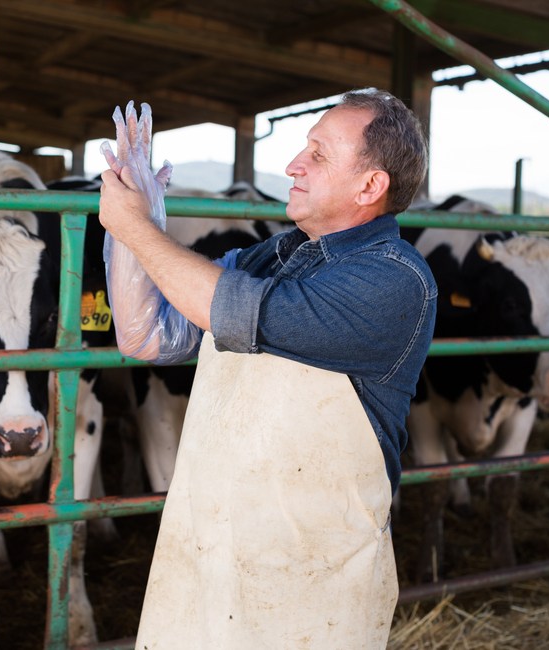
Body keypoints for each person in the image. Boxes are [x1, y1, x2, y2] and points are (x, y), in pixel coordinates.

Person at [98, 89, 437, 648]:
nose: (292, 166)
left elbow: (223, 307)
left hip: (312, 579)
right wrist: (138, 225)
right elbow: (149, 336)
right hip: (210, 551)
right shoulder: (274, 256)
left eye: (319, 154)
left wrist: (138, 230)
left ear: (370, 186)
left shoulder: (393, 280)